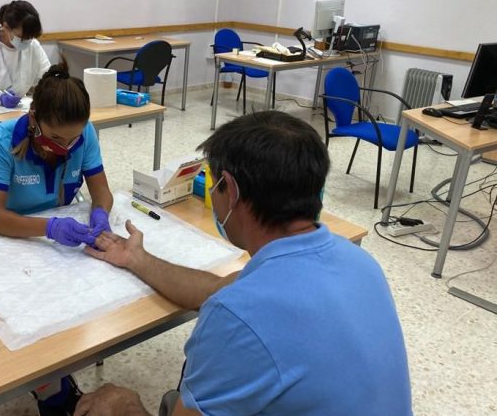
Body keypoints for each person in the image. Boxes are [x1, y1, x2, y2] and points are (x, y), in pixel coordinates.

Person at [77, 111, 412, 416]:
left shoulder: (237, 315)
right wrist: (137, 258)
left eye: (214, 183)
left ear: (231, 191)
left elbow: (234, 306)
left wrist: (125, 407)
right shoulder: (358, 261)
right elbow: (219, 289)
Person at [0, 64, 114, 415]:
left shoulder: (85, 135)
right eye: (56, 138)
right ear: (34, 118)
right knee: (20, 315)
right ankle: (52, 387)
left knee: (74, 300)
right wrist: (50, 229)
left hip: (54, 242)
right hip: (6, 237)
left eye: (73, 140)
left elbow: (102, 192)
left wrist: (100, 214)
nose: (66, 148)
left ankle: (58, 370)